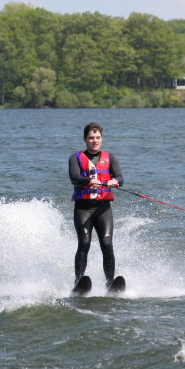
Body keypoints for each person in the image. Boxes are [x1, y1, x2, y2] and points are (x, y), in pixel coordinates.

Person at [68, 122, 124, 288]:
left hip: (103, 209)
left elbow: (120, 178)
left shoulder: (110, 158)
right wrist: (89, 180)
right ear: (85, 139)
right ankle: (78, 282)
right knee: (84, 243)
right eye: (91, 138)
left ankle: (110, 283)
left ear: (101, 138)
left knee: (106, 243)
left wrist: (114, 181)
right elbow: (74, 178)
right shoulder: (75, 158)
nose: (95, 141)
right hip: (83, 208)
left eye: (98, 137)